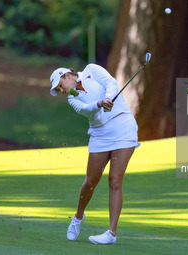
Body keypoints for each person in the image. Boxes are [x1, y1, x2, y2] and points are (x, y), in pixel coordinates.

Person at [49, 64, 140, 244]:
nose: (61, 90)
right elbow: (85, 109)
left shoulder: (91, 70)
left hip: (123, 126)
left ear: (66, 75)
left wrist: (107, 97)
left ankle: (111, 234)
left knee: (115, 180)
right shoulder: (72, 98)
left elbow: (111, 83)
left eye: (60, 85)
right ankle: (78, 217)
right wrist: (100, 103)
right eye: (58, 90)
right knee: (91, 181)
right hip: (100, 134)